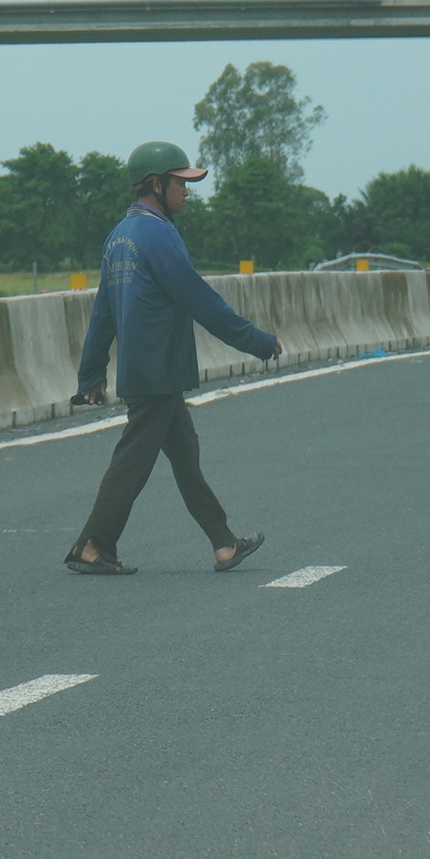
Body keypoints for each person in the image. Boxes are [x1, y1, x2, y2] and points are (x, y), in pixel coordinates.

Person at [65, 142, 280, 576]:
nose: (187, 190)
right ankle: (92, 546)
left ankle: (224, 544)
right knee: (131, 464)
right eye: (180, 182)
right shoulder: (159, 236)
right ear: (155, 184)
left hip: (146, 369)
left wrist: (91, 373)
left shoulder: (118, 237)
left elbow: (103, 312)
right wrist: (256, 340)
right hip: (159, 370)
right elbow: (201, 300)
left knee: (185, 458)